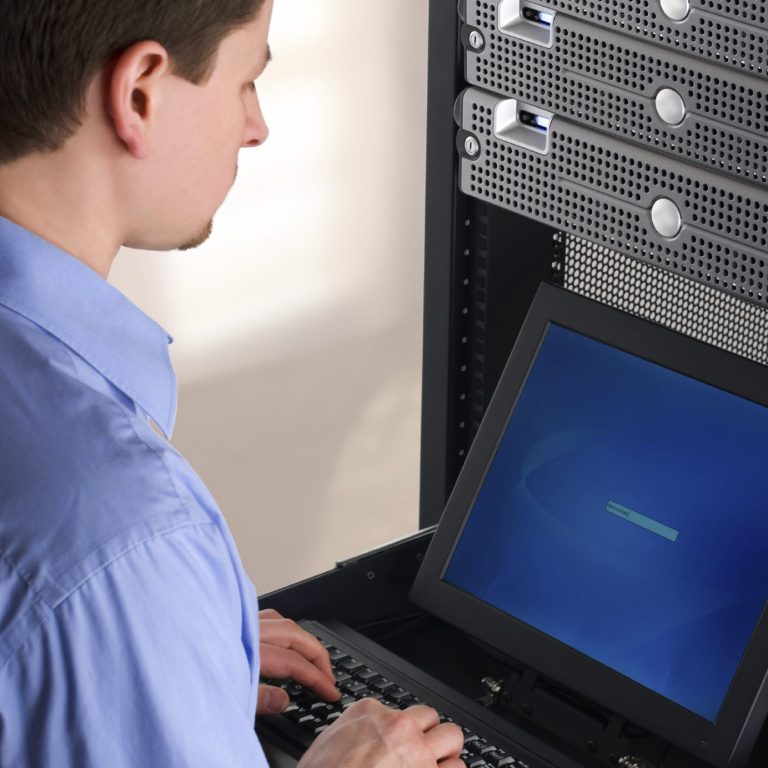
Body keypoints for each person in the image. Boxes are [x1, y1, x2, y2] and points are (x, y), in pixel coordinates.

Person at [0, 0, 465, 765]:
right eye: (246, 81)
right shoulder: (125, 540)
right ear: (141, 92)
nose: (257, 125)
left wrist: (176, 664)